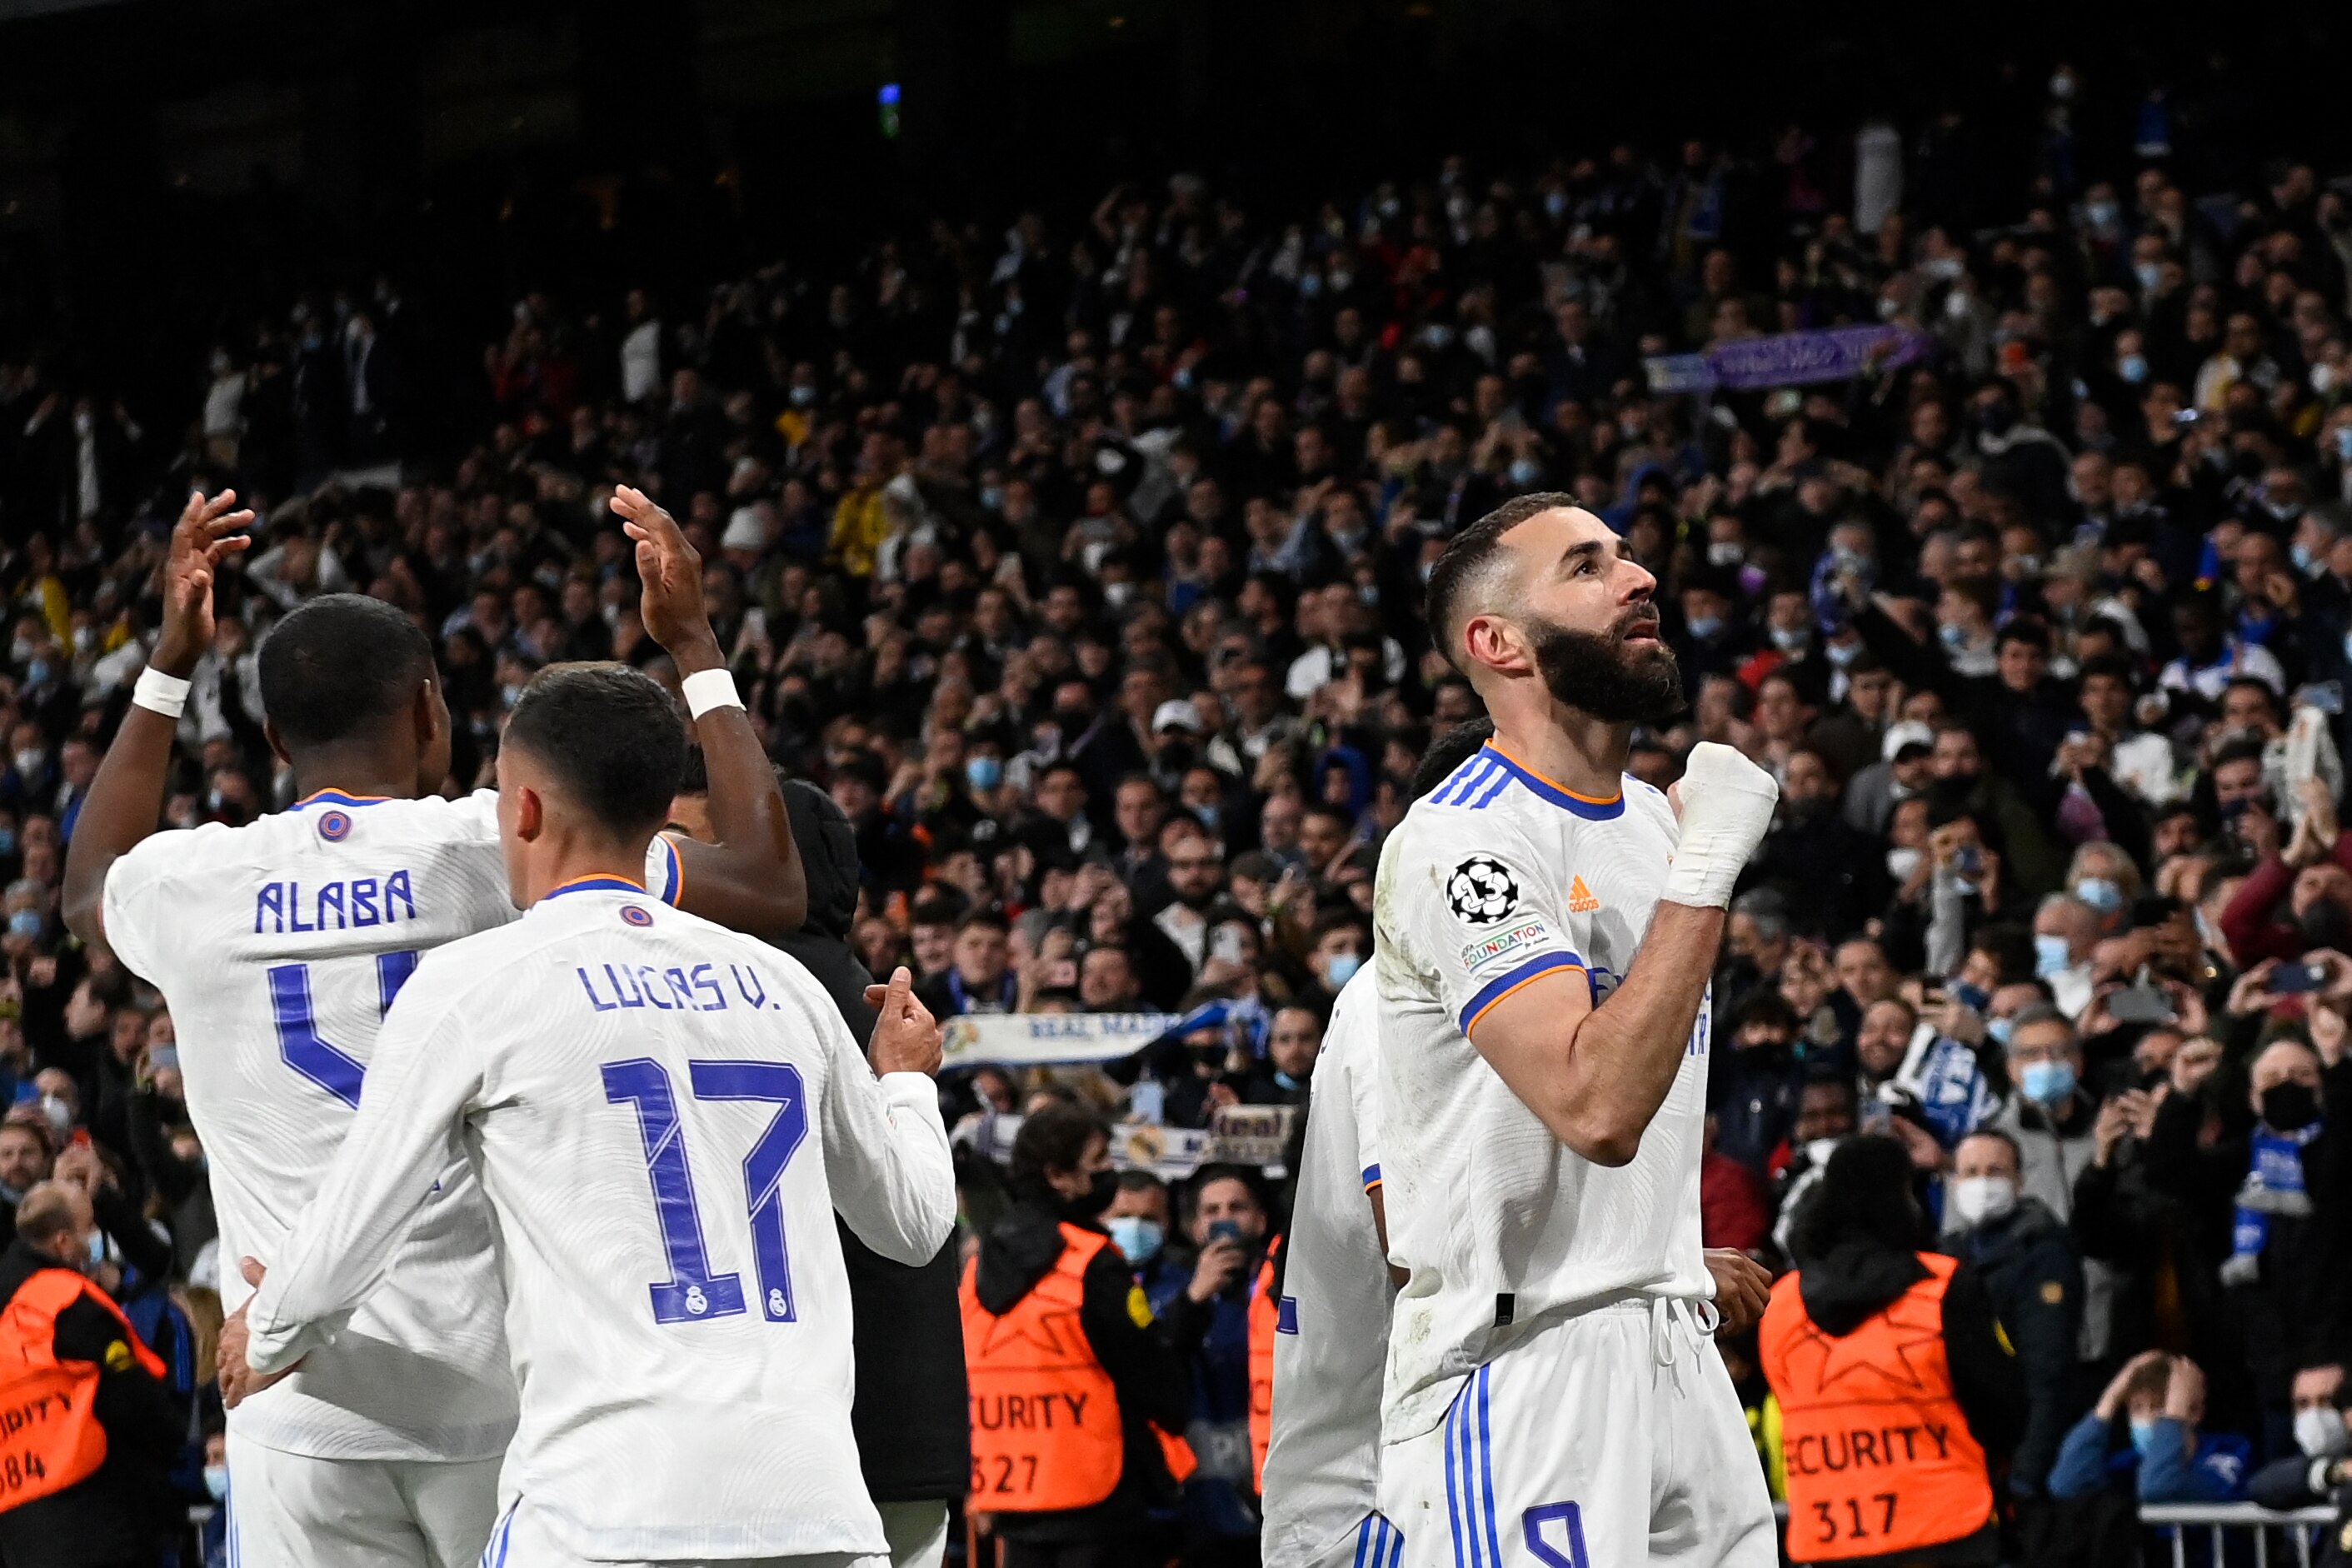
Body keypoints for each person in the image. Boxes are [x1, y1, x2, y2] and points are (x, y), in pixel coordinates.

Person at [60, 489, 806, 1566]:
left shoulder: (195, 882)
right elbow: (770, 878)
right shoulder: (497, 848)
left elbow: (89, 886)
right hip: (499, 1394)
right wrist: (691, 641)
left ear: (271, 736)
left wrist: (170, 662)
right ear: (427, 712)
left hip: (290, 1389)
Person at [218, 659, 956, 1566]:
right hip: (817, 1515)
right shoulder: (785, 986)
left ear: (521, 809)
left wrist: (272, 1329)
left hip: (607, 1512)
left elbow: (354, 1226)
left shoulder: (477, 982)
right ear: (659, 818)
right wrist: (909, 1080)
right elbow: (916, 1225)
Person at [1373, 496, 1781, 1568]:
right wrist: (1711, 865)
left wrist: (1670, 1259)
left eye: (1631, 555)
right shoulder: (1461, 843)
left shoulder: (1653, 822)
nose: (1639, 577)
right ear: (1497, 642)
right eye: (1589, 566)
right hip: (1524, 1369)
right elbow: (1595, 1106)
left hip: (1678, 1352)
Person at [670, 760, 971, 1568]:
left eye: (688, 845)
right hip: (906, 1419)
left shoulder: (726, 1004)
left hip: (782, 1436)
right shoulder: (880, 1011)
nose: (667, 868)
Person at [1261, 720, 1491, 1568]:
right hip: (1379, 1488)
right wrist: (1648, 1272)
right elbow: (1414, 1246)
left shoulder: (1487, 985)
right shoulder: (1394, 996)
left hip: (1446, 1441)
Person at [1760, 1136, 2025, 1568]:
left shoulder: (1782, 1304)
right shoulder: (1941, 1287)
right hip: (1943, 1530)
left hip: (1832, 1534)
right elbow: (2005, 1409)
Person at [961, 1104, 1195, 1568]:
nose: (1110, 1173)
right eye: (1100, 1162)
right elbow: (1148, 1371)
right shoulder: (1092, 1263)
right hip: (1097, 1497)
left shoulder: (979, 1267)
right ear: (1059, 1176)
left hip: (1014, 1495)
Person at [0, 1181, 183, 1568]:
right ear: (63, 1243)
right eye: (89, 1228)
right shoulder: (66, 1300)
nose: (95, 1240)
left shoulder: (12, 1312)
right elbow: (131, 1396)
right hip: (97, 1515)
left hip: (20, 1525)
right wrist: (172, 1436)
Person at [1939, 1129, 2083, 1498]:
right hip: (1964, 1456)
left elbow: (2049, 1377)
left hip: (2019, 1456)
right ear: (1954, 1182)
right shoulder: (1947, 1256)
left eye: (1995, 1171)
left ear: (2019, 1181)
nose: (1982, 1182)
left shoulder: (2045, 1252)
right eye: (1970, 1172)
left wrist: (2025, 1477)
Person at [2049, 1351, 2250, 1504]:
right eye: (2136, 1409)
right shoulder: (2129, 1463)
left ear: (2195, 1412)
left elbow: (2159, 1486)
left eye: (2159, 1407)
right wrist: (2110, 1398)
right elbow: (2066, 1485)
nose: (2147, 1418)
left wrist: (2174, 1416)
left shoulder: (2229, 1453)